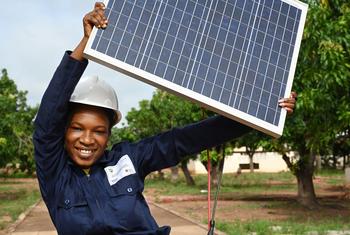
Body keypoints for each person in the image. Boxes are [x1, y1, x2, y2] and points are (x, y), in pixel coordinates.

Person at [33, 2, 297, 235]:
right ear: (64, 131)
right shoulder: (55, 174)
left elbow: (184, 141)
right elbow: (47, 121)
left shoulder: (128, 159)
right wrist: (85, 44)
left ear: (109, 133)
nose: (87, 139)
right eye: (77, 128)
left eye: (99, 131)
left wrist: (262, 112)